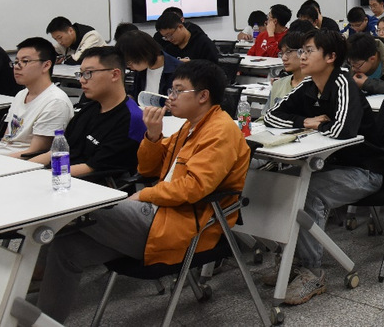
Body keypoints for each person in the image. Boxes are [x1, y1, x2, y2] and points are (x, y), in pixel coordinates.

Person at [36, 60, 250, 323]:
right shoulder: (190, 126)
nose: (170, 97)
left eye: (177, 91)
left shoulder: (220, 131)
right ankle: (45, 322)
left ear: (203, 96)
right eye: (170, 90)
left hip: (181, 224)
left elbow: (193, 188)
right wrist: (153, 135)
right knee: (66, 248)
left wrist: (145, 195)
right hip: (157, 213)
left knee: (77, 209)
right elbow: (147, 169)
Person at [262, 30, 383, 305]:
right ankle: (290, 260)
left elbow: (342, 130)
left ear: (330, 57)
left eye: (309, 51)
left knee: (308, 194)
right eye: (301, 51)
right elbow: (271, 116)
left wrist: (318, 124)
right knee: (281, 182)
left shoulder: (343, 83)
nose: (302, 57)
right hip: (331, 166)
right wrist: (306, 122)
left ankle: (313, 272)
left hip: (364, 171)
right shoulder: (308, 85)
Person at [30, 46, 147, 176]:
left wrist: (42, 176)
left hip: (88, 182)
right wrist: (24, 169)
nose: (82, 80)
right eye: (81, 74)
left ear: (115, 75)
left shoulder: (131, 119)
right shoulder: (88, 109)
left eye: (88, 73)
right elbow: (57, 152)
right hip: (59, 175)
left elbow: (93, 168)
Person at [0, 37, 73, 158]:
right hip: (2, 158)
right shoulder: (21, 94)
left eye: (25, 61)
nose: (17, 67)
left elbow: (34, 152)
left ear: (46, 65)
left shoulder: (55, 102)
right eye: (16, 61)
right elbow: (6, 141)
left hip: (20, 164)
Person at [116, 30, 180, 99]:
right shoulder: (141, 70)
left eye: (129, 63)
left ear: (143, 54)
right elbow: (134, 94)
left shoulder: (178, 70)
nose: (128, 67)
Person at [154, 10, 220, 62]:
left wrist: (192, 64)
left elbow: (215, 68)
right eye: (165, 37)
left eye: (170, 35)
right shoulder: (169, 48)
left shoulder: (203, 43)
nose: (169, 39)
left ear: (180, 27)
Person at [267, 31, 307, 112]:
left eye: (288, 52)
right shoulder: (277, 84)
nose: (284, 58)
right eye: (282, 53)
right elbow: (265, 116)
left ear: (302, 52)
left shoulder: (316, 86)